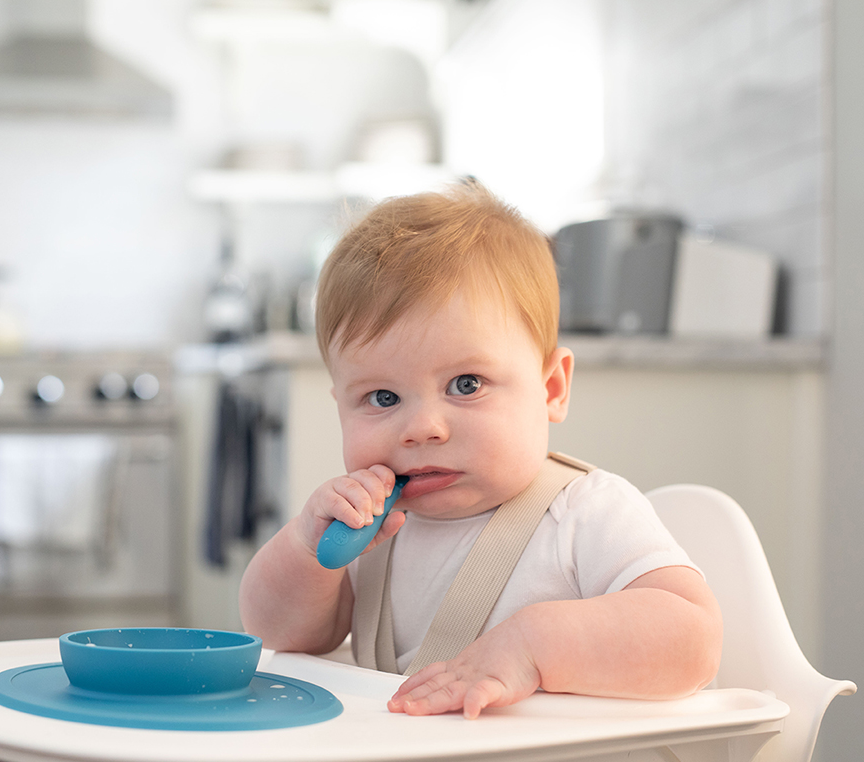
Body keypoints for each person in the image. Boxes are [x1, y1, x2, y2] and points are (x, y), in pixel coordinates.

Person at [238, 182, 723, 723]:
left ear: (551, 389)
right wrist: (305, 548)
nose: (422, 428)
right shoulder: (370, 530)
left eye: (466, 385)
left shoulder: (584, 513)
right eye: (383, 398)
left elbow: (693, 639)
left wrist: (535, 645)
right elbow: (279, 635)